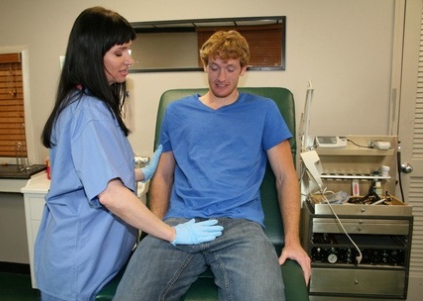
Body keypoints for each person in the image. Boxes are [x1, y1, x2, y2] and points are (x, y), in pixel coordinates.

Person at [35, 7, 223, 301]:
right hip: (80, 262)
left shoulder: (90, 102)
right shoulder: (88, 113)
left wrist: (139, 173)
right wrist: (172, 233)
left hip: (99, 258)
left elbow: (88, 171)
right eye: (119, 52)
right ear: (94, 54)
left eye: (129, 50)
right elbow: (109, 194)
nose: (129, 60)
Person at [114, 30, 311, 301]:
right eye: (214, 67)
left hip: (241, 226)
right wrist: (156, 229)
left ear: (244, 69)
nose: (221, 77)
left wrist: (292, 240)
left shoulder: (263, 110)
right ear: (204, 65)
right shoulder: (177, 112)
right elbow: (163, 175)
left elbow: (286, 177)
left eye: (230, 68)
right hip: (182, 223)